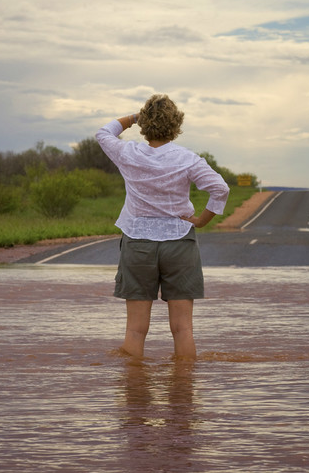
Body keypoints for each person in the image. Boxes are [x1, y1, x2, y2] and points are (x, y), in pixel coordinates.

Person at [96, 94, 229, 360]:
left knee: (135, 330)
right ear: (176, 125)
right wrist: (202, 221)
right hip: (179, 243)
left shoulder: (128, 153)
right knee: (183, 329)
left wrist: (135, 117)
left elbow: (104, 133)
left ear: (145, 125)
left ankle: (135, 396)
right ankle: (183, 395)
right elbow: (220, 189)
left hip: (137, 242)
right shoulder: (188, 159)